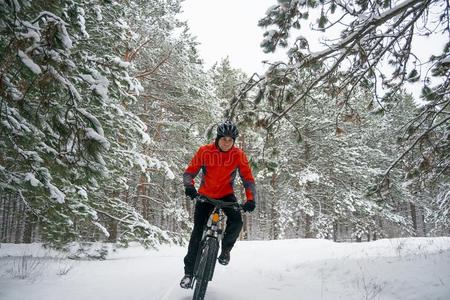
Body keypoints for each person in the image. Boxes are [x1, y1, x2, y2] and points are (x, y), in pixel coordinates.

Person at [180, 120, 257, 289]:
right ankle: (188, 273)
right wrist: (189, 187)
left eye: (230, 140)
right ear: (218, 138)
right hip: (205, 196)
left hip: (226, 195)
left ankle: (225, 250)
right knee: (197, 232)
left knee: (237, 222)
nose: (227, 143)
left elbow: (248, 179)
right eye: (224, 139)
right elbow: (189, 172)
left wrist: (251, 199)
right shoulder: (205, 151)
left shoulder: (238, 155)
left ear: (234, 141)